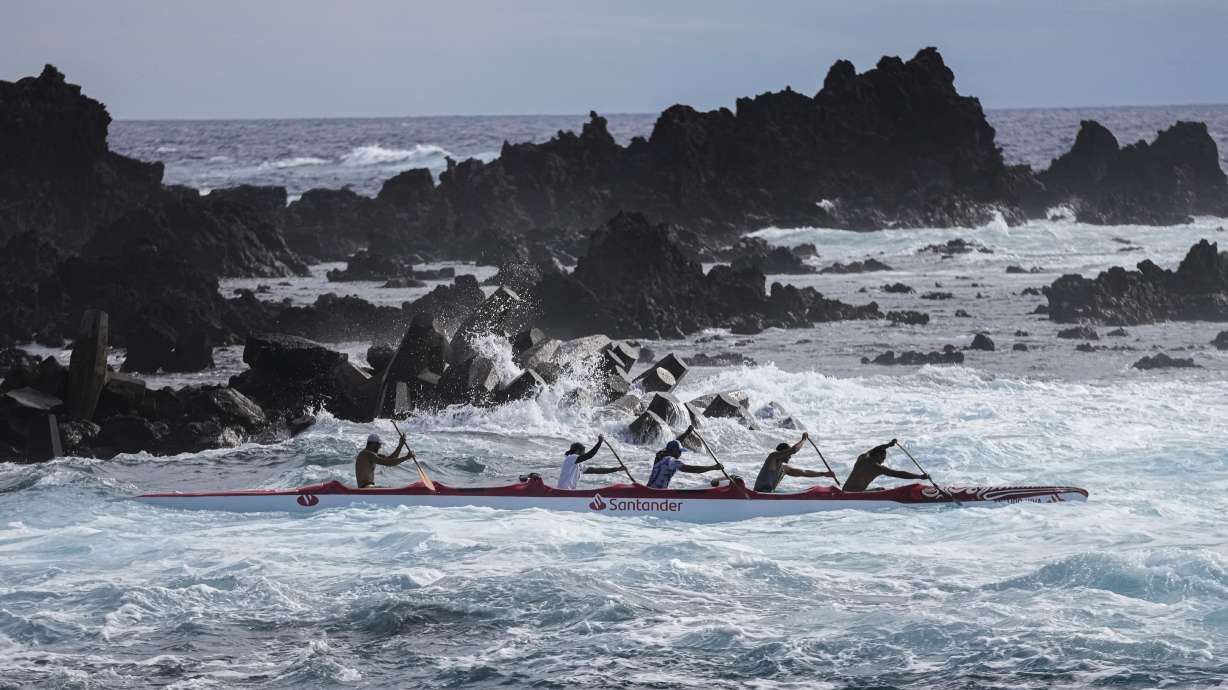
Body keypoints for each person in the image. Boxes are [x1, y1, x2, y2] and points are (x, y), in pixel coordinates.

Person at [752, 432, 836, 492]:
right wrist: (803, 439)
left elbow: (804, 472)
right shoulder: (772, 457)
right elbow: (793, 450)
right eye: (787, 453)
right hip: (758, 494)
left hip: (769, 495)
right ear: (782, 452)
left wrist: (823, 474)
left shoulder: (784, 469)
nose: (790, 456)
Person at [842, 439, 928, 492]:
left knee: (880, 489)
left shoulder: (862, 458)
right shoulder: (878, 468)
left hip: (845, 490)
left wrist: (888, 445)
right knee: (881, 490)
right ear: (877, 456)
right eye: (883, 458)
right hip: (855, 495)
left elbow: (873, 450)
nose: (883, 460)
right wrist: (919, 477)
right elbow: (899, 474)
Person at [646, 438, 722, 489]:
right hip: (656, 494)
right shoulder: (671, 461)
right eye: (679, 451)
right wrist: (713, 467)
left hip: (650, 490)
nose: (680, 454)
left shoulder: (661, 458)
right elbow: (691, 469)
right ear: (673, 451)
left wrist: (688, 432)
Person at [557, 435, 623, 489]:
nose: (584, 453)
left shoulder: (578, 465)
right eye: (583, 451)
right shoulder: (571, 458)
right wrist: (599, 443)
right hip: (564, 492)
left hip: (569, 492)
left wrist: (617, 469)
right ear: (577, 451)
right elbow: (589, 455)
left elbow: (598, 470)